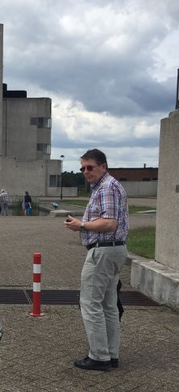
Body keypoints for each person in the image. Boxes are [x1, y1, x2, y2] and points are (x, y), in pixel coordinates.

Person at [64, 148, 129, 371]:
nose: (85, 171)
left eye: (90, 167)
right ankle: (111, 354)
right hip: (113, 250)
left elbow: (109, 223)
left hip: (103, 251)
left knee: (90, 303)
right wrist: (82, 222)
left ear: (103, 166)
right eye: (82, 168)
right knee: (108, 304)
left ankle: (99, 356)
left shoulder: (107, 187)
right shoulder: (105, 187)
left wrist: (81, 225)